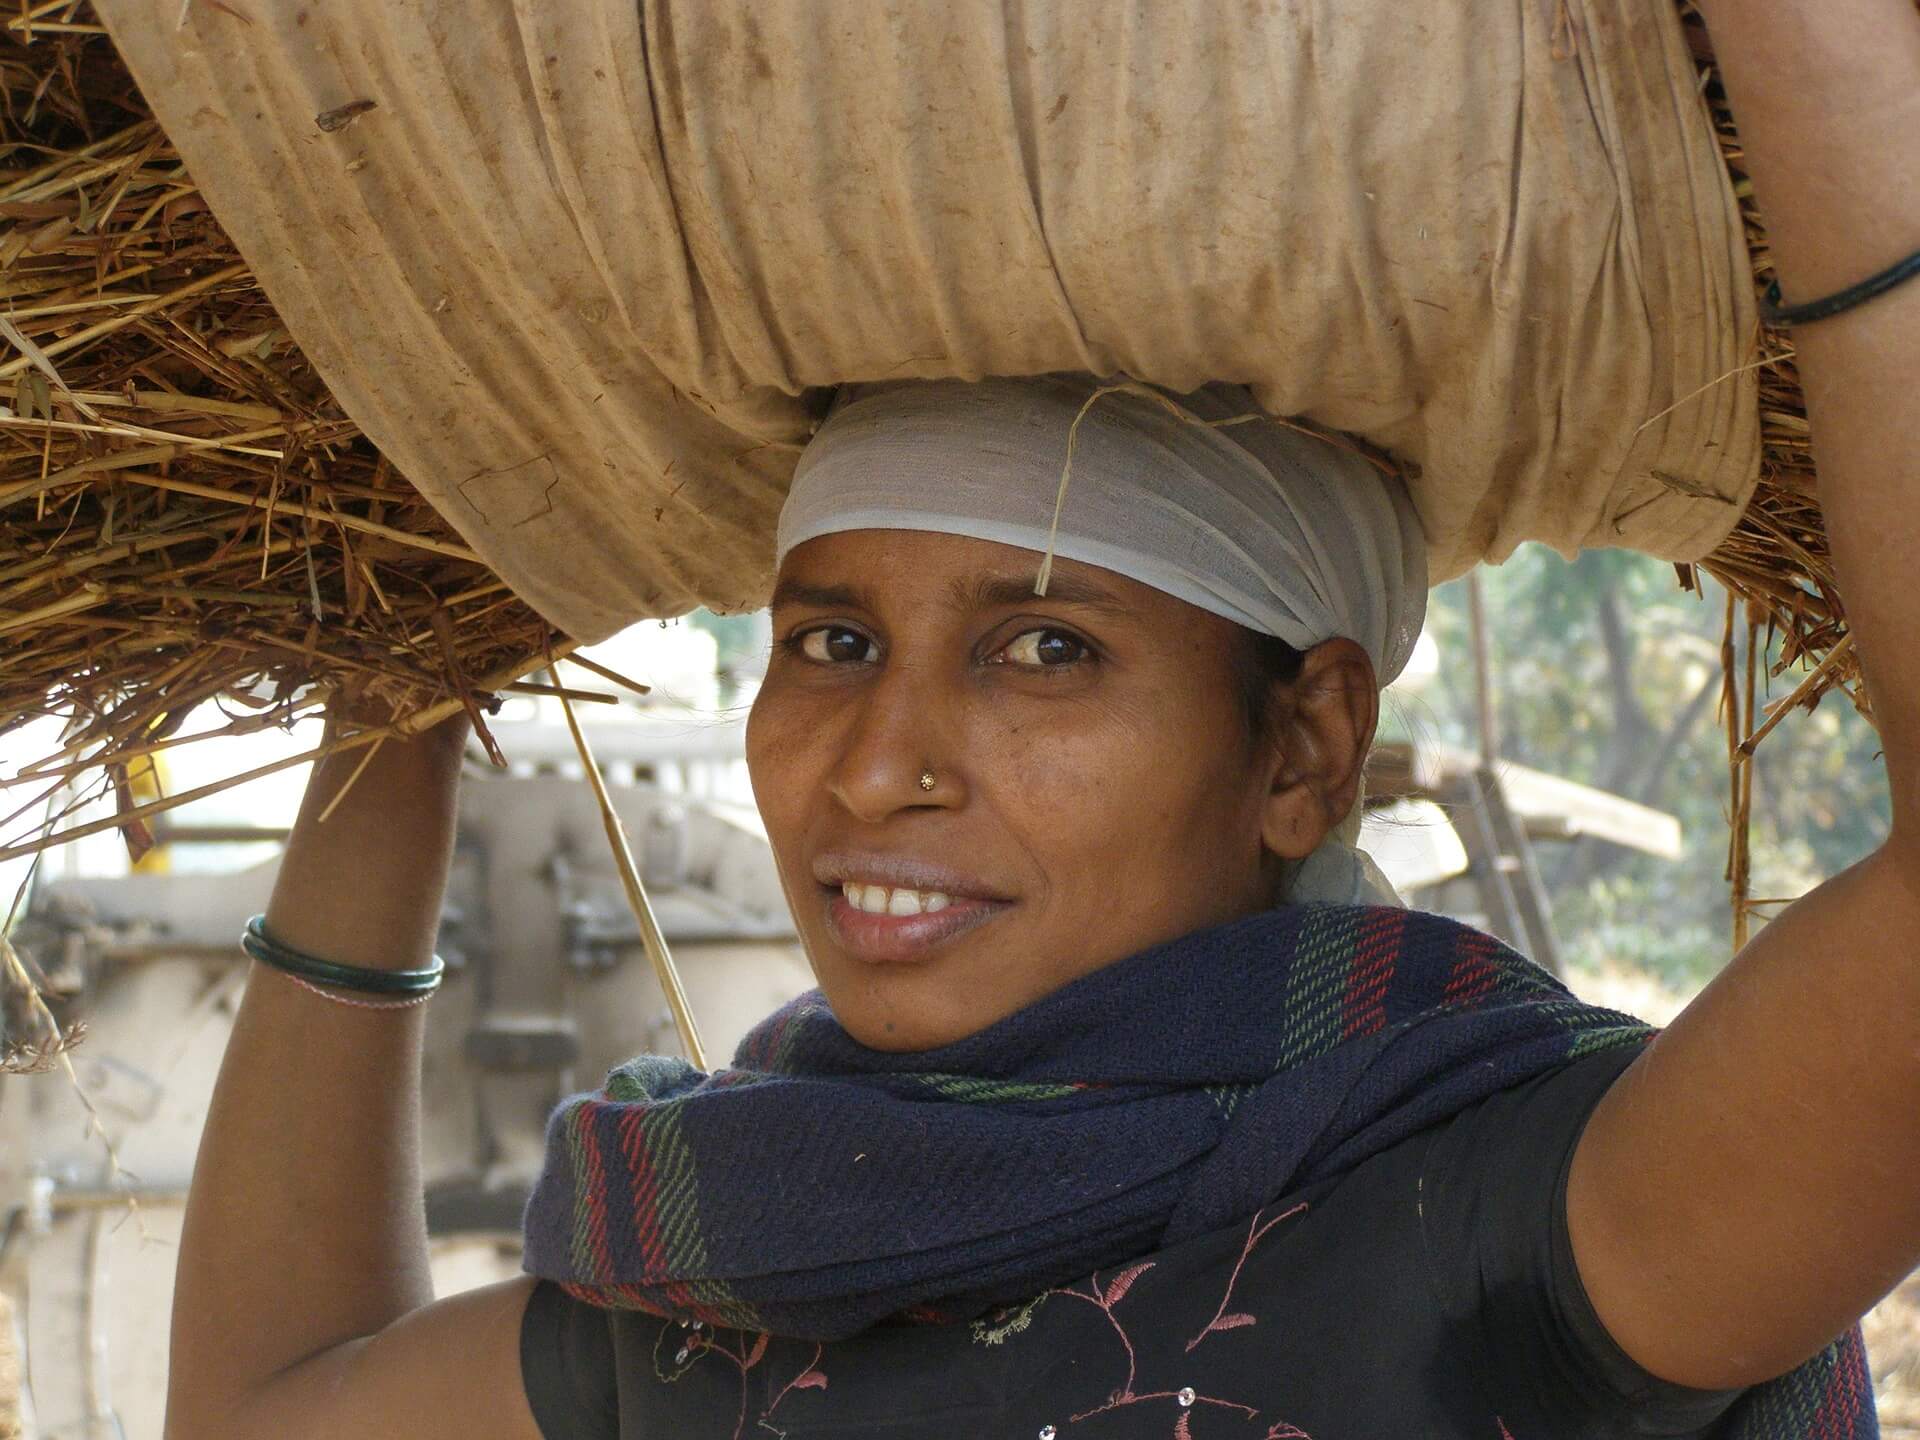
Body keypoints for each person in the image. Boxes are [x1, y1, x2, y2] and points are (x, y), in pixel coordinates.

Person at [161, 2, 1919, 1436]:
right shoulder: (728, 1281)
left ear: (1303, 751)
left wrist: (1827, 74)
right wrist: (396, 680)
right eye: (832, 642)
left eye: (1047, 651)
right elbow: (261, 1415)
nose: (875, 763)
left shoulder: (1520, 1217)